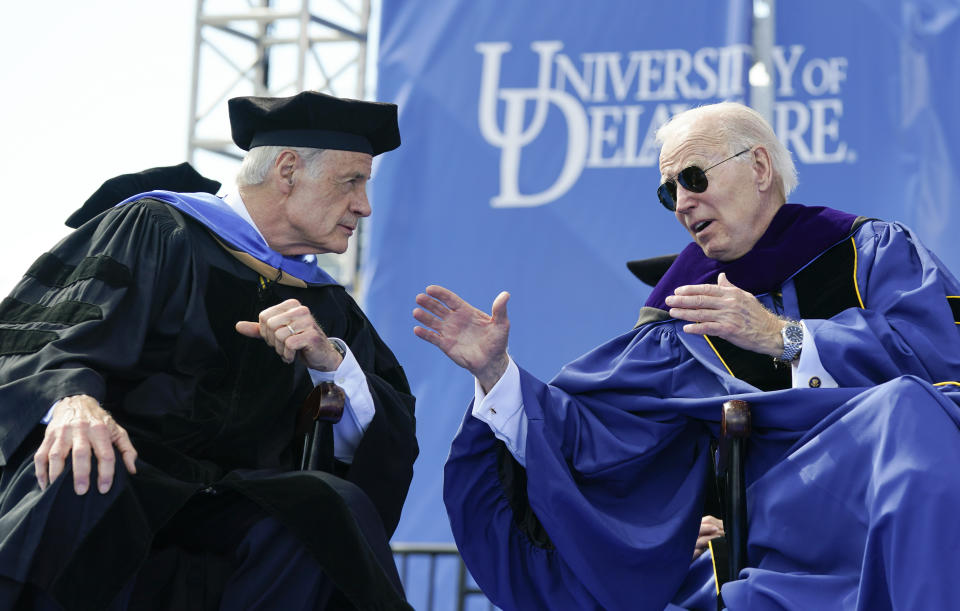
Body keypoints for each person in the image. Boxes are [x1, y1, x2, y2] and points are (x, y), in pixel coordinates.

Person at [413, 101, 960, 610]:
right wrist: (495, 373)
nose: (681, 205)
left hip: (900, 487)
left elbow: (942, 359)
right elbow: (588, 435)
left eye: (694, 178)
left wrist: (784, 337)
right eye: (668, 191)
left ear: (760, 168)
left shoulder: (871, 253)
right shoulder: (679, 322)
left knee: (907, 411)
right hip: (776, 525)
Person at [0, 91, 418, 610]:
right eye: (351, 181)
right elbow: (37, 335)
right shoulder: (155, 230)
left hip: (230, 505)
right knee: (82, 463)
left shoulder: (327, 309)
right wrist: (69, 401)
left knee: (327, 508)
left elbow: (383, 440)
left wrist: (328, 363)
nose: (364, 205)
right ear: (287, 170)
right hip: (126, 474)